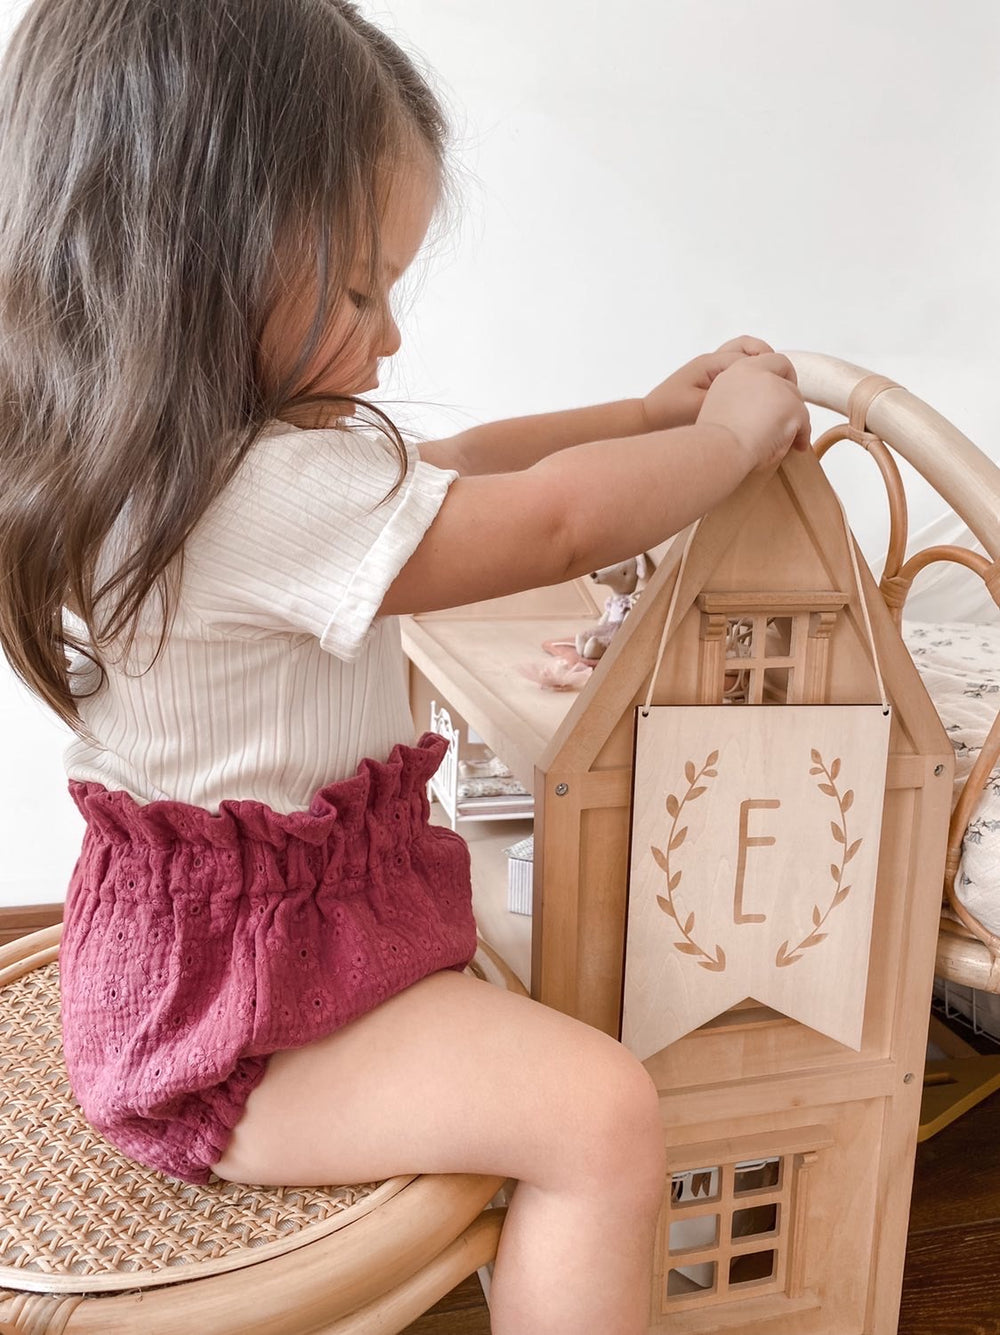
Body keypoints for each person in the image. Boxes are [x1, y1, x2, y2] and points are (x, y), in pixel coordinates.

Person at [0, 2, 811, 1331]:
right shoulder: (245, 496)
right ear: (194, 251)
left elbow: (462, 463)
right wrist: (724, 446)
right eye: (363, 288)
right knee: (601, 1115)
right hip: (243, 1037)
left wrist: (643, 412)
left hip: (226, 969)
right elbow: (544, 519)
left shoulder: (160, 458)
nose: (390, 341)